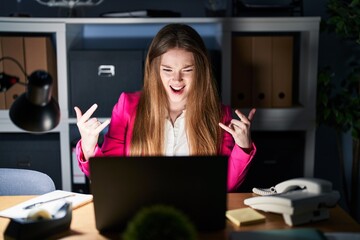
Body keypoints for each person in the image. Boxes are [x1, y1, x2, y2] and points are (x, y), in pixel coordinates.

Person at [74, 23, 256, 192]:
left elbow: (225, 185)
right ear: (155, 70)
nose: (177, 79)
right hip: (142, 209)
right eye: (167, 70)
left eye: (187, 70)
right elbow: (110, 176)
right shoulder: (127, 106)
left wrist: (243, 146)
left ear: (201, 71)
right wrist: (89, 148)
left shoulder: (220, 114)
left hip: (195, 211)